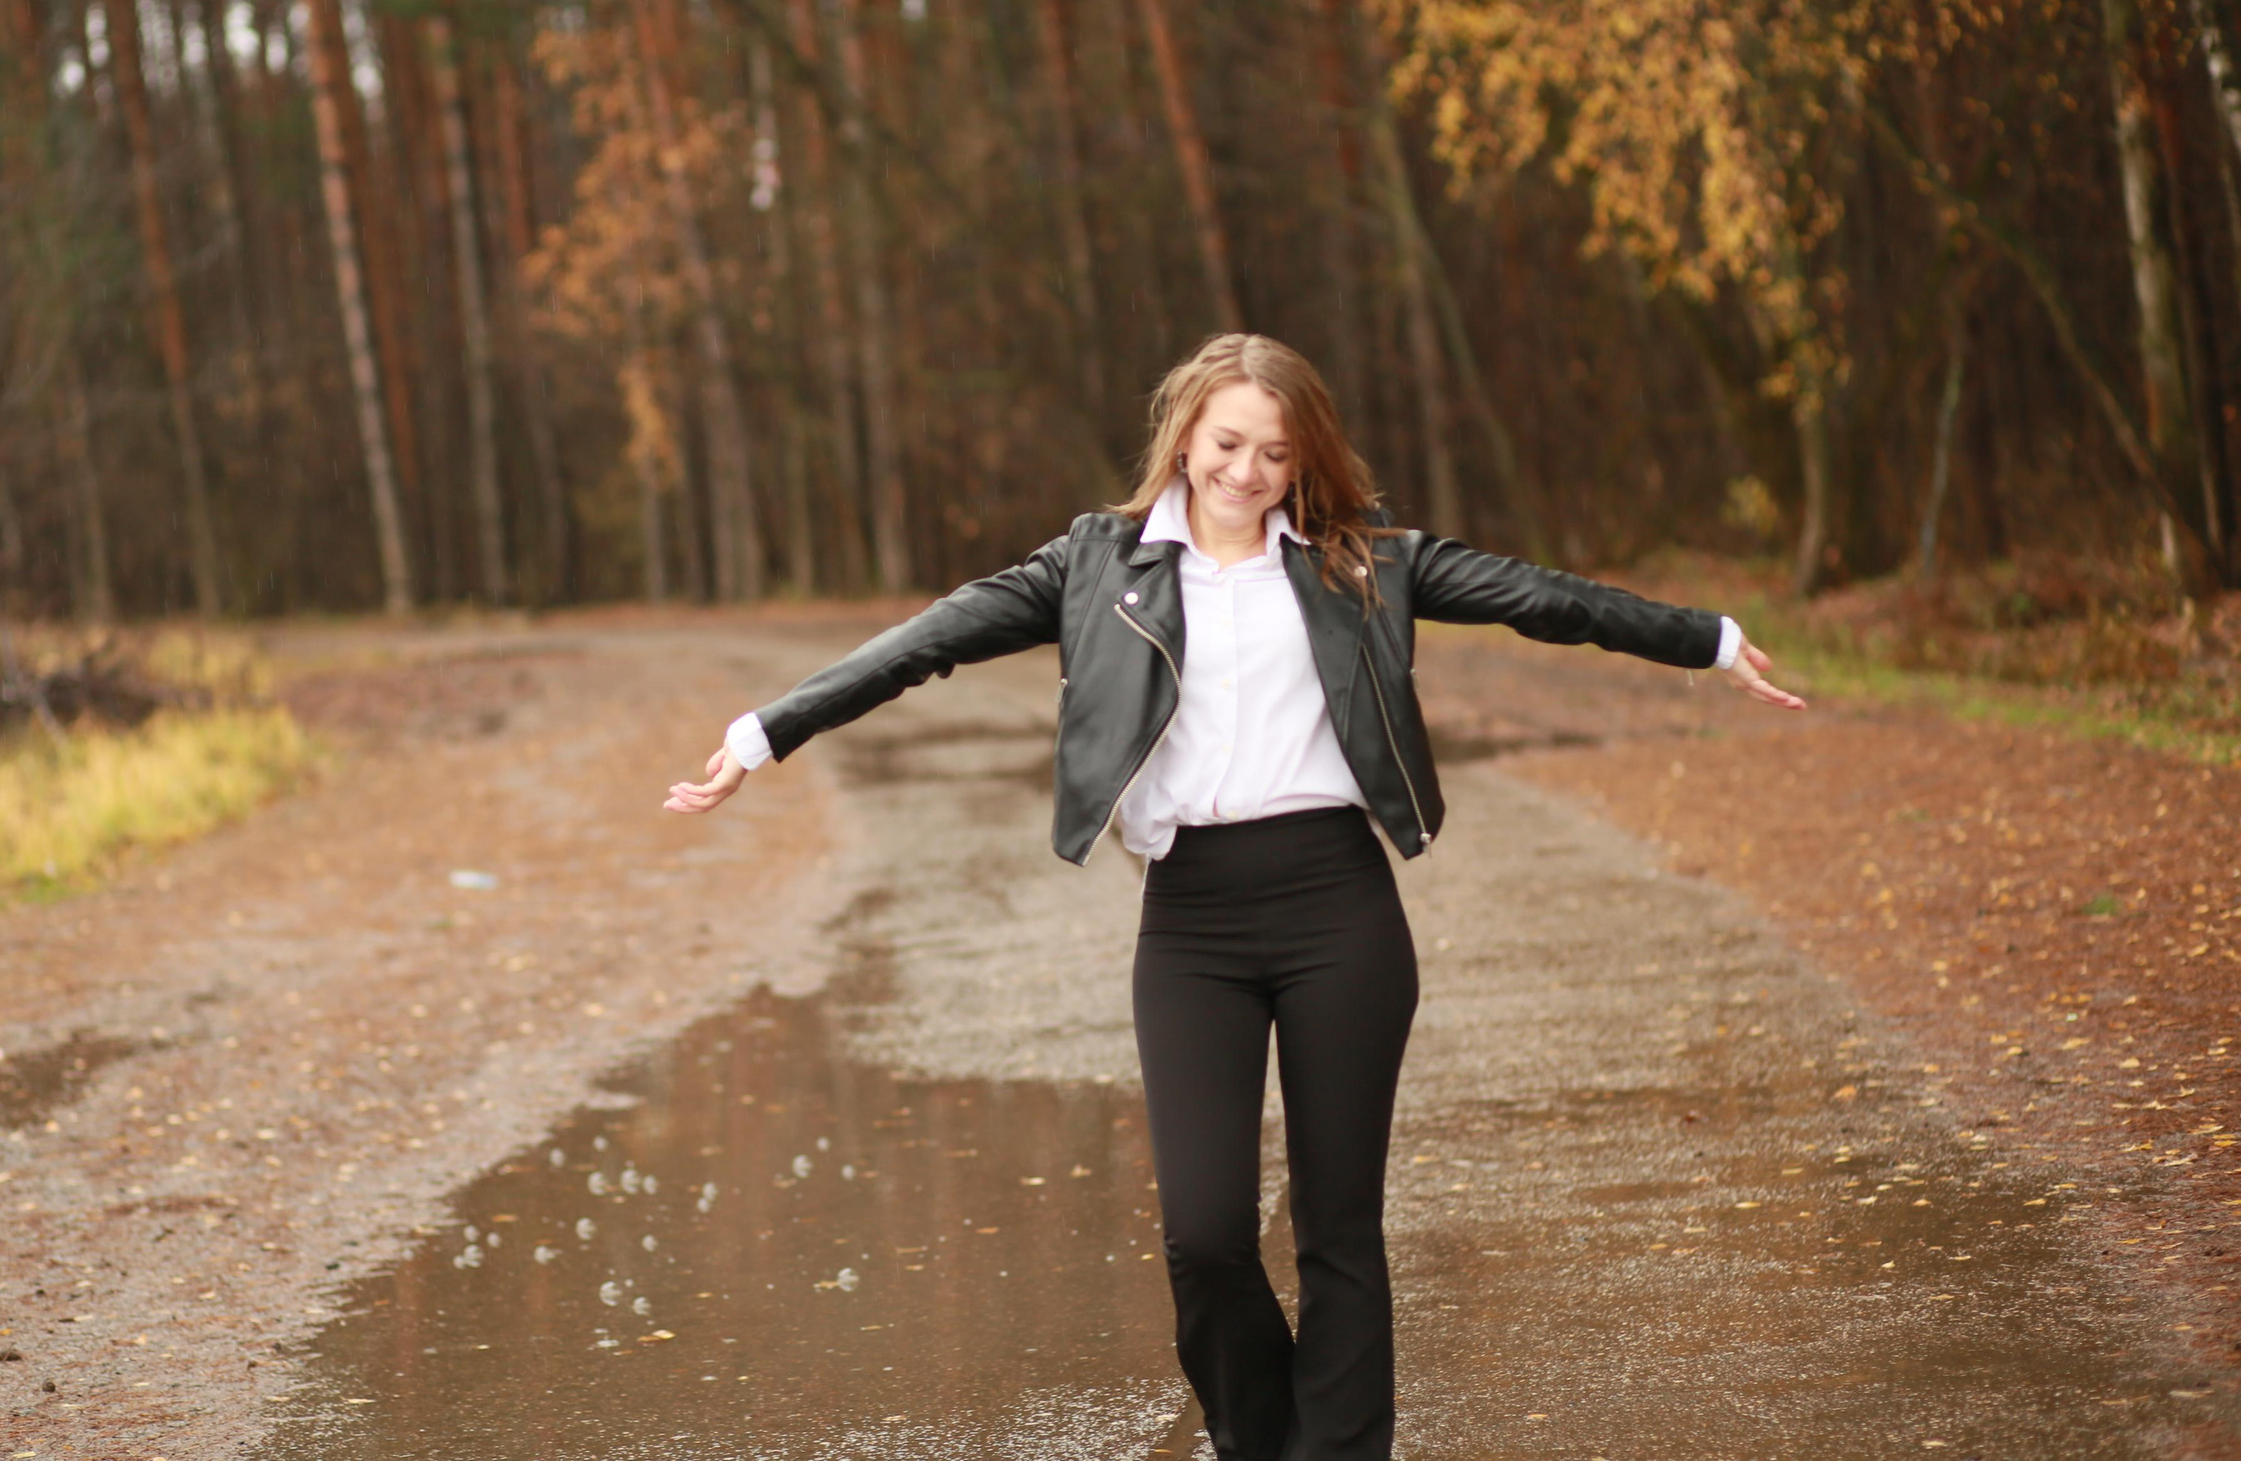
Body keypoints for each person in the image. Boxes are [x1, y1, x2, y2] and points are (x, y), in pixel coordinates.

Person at [664, 333, 1804, 1460]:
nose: (1245, 471)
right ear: (1184, 437)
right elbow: (932, 640)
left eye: (1274, 452)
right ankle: (1259, 1439)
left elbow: (1539, 599)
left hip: (1338, 911)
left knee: (1337, 1230)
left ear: (1302, 461)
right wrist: (763, 732)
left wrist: (1707, 639)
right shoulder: (1096, 565)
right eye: (1226, 443)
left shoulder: (1362, 561)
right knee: (1203, 1235)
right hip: (1192, 920)